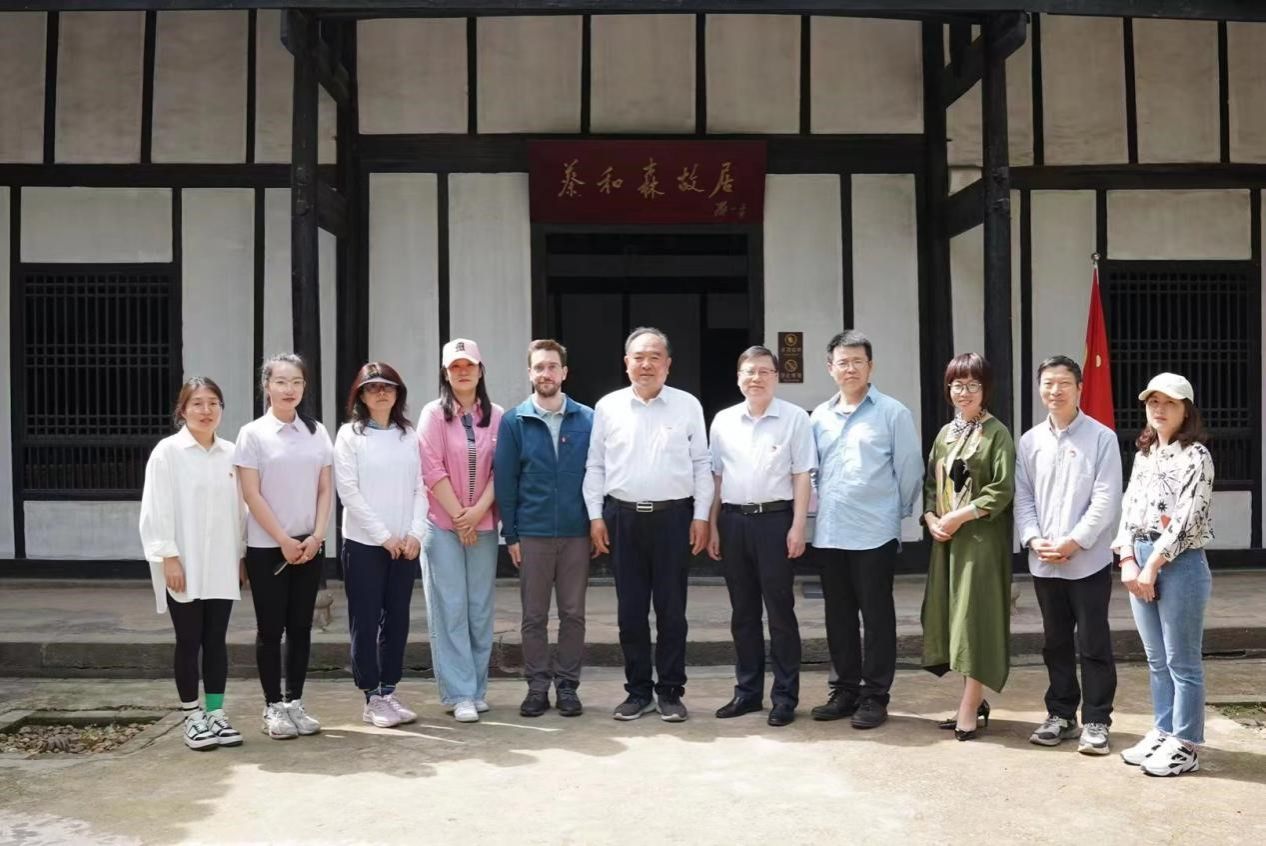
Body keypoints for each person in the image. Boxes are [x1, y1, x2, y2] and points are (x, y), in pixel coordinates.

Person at [584, 327, 713, 722]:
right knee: (631, 612)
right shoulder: (608, 407)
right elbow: (596, 465)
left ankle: (671, 691)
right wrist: (595, 516)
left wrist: (701, 516)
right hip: (622, 519)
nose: (646, 364)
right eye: (638, 357)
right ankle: (638, 691)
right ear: (626, 363)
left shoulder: (687, 405)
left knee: (672, 611)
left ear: (668, 364)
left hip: (674, 518)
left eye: (655, 357)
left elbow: (701, 464)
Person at [809, 330, 922, 729]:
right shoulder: (819, 417)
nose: (850, 368)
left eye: (858, 361)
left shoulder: (893, 413)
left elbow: (910, 470)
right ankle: (844, 690)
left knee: (876, 618)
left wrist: (895, 513)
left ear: (870, 366)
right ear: (830, 367)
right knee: (838, 616)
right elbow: (813, 471)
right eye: (843, 362)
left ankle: (875, 695)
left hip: (875, 531)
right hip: (830, 531)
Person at [1014, 355, 1122, 755]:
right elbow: (1023, 496)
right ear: (1039, 389)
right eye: (1048, 383)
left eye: (1063, 383)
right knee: (1055, 642)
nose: (1055, 391)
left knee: (1093, 643)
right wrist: (1032, 538)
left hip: (1087, 561)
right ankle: (1060, 714)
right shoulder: (1029, 441)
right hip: (1044, 561)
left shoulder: (1101, 438)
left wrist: (1075, 541)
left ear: (1079, 389)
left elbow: (1106, 499)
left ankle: (1097, 720)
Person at [1112, 373, 1214, 777]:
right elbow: (1129, 507)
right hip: (1139, 556)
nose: (1159, 409)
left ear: (1186, 410)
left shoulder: (1196, 456)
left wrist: (1153, 565)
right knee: (1156, 658)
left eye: (1169, 403)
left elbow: (1188, 519)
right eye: (1153, 402)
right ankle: (1164, 729)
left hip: (1179, 562)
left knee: (1182, 660)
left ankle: (1186, 744)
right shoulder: (1145, 454)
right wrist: (1127, 558)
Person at [707, 345, 816, 727]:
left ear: (776, 377)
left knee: (780, 612)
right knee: (743, 613)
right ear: (739, 377)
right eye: (749, 371)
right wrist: (712, 525)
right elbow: (716, 477)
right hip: (733, 522)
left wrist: (798, 526)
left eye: (764, 371)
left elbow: (801, 475)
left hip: (775, 522)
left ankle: (784, 697)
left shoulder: (794, 418)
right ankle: (747, 692)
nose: (756, 378)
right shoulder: (723, 421)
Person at [139, 377, 246, 751]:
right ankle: (191, 716)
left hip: (221, 562)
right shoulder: (168, 453)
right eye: (197, 403)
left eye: (213, 403)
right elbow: (157, 508)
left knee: (216, 640)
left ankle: (215, 712)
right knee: (188, 640)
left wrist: (241, 556)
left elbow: (241, 511)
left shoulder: (231, 454)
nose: (206, 410)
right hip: (182, 562)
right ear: (182, 410)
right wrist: (168, 556)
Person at [234, 353, 334, 740]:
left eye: (296, 382)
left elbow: (325, 489)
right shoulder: (253, 434)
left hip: (309, 545)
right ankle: (272, 706)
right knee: (270, 628)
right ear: (266, 386)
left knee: (301, 627)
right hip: (267, 547)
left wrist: (317, 536)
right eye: (280, 381)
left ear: (304, 387)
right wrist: (282, 540)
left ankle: (295, 702)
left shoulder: (317, 432)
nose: (289, 389)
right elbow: (251, 494)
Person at [495, 340, 595, 718]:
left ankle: (567, 686)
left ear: (564, 372)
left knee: (573, 613)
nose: (546, 373)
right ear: (530, 373)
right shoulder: (514, 422)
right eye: (539, 367)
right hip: (533, 534)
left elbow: (598, 474)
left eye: (553, 366)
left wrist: (596, 523)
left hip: (576, 532)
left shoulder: (587, 419)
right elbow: (506, 482)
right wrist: (512, 535)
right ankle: (537, 686)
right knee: (534, 616)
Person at [921, 352, 1015, 741]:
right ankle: (974, 700)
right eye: (957, 385)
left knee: (974, 618)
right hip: (946, 540)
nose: (964, 392)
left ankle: (968, 708)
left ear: (985, 389)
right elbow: (931, 484)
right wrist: (931, 519)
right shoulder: (945, 434)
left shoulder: (997, 433)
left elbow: (1001, 489)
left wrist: (960, 517)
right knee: (954, 619)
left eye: (972, 385)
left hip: (980, 539)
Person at [333, 362, 426, 729]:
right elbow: (349, 492)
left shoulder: (409, 435)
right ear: (361, 395)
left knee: (397, 619)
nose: (381, 393)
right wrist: (383, 536)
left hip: (404, 545)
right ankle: (371, 695)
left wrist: (415, 534)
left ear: (398, 393)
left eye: (388, 386)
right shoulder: (349, 435)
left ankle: (389, 690)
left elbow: (421, 487)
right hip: (365, 544)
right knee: (366, 619)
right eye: (373, 387)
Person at [419, 338, 504, 723]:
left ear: (481, 371)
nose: (463, 371)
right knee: (450, 608)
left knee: (479, 609)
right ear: (445, 373)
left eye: (469, 365)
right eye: (455, 366)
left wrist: (478, 513)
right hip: (443, 526)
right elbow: (431, 468)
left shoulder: (497, 416)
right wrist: (459, 516)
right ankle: (459, 692)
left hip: (482, 525)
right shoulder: (433, 415)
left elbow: (502, 469)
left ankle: (477, 688)